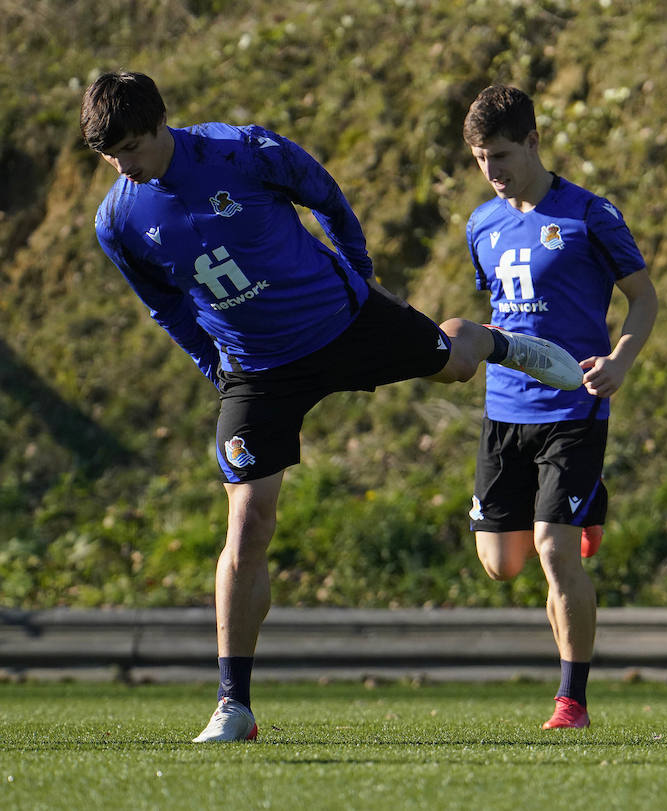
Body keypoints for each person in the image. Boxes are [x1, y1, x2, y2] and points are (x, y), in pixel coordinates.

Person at [83, 72, 584, 742]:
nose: (126, 167)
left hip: (342, 320)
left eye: (133, 149)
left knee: (456, 366)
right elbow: (163, 303)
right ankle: (234, 703)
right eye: (111, 158)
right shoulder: (117, 219)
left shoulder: (243, 152)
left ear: (159, 124)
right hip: (256, 371)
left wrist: (359, 270)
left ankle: (490, 339)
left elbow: (322, 193)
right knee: (249, 520)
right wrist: (212, 364)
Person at [461, 85, 657, 730]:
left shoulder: (591, 215)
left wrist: (622, 362)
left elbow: (643, 298)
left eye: (503, 155)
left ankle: (571, 701)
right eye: (481, 158)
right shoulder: (481, 226)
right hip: (503, 411)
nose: (493, 171)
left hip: (574, 410)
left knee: (553, 548)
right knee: (502, 564)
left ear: (535, 142)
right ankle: (589, 502)